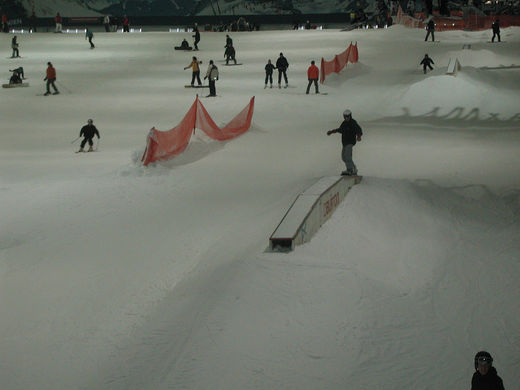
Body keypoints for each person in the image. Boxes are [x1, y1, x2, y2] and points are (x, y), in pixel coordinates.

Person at [326, 109, 363, 176]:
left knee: (347, 156)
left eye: (348, 117)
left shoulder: (353, 123)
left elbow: (358, 130)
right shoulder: (344, 123)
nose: (346, 118)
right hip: (345, 143)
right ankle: (353, 168)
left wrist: (359, 136)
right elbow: (340, 130)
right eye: (345, 117)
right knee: (344, 157)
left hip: (350, 142)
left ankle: (350, 170)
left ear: (350, 116)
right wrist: (331, 132)